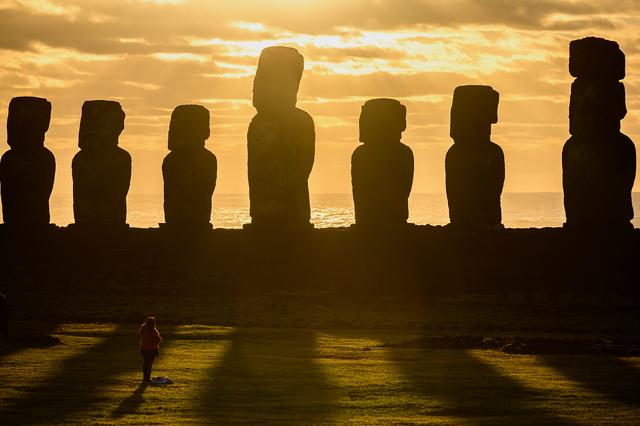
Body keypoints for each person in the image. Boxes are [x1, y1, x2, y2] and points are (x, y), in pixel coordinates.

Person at [139, 317, 162, 382]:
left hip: (143, 349)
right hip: (152, 350)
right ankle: (147, 378)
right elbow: (159, 340)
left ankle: (145, 378)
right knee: (149, 364)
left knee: (145, 363)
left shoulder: (143, 329)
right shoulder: (153, 331)